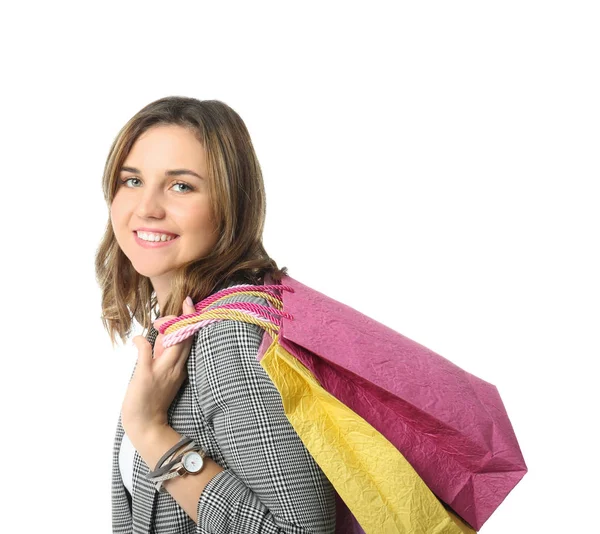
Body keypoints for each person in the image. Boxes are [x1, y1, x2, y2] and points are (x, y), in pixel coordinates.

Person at [95, 96, 337, 533]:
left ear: (230, 205)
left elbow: (302, 530)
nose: (146, 207)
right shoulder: (183, 325)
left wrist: (152, 433)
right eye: (132, 180)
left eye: (181, 185)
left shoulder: (230, 336)